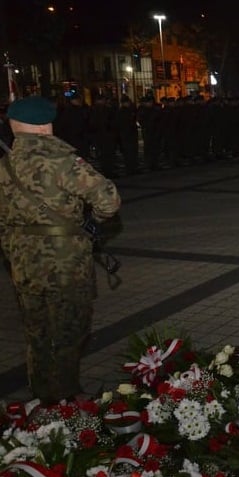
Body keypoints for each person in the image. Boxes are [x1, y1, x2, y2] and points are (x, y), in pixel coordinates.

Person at [0, 96, 121, 404]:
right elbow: (108, 199)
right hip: (65, 263)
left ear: (13, 126)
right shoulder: (62, 161)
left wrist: (13, 253)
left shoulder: (5, 166)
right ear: (46, 126)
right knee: (69, 332)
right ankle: (67, 397)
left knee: (37, 333)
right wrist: (92, 224)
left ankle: (42, 396)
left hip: (23, 264)